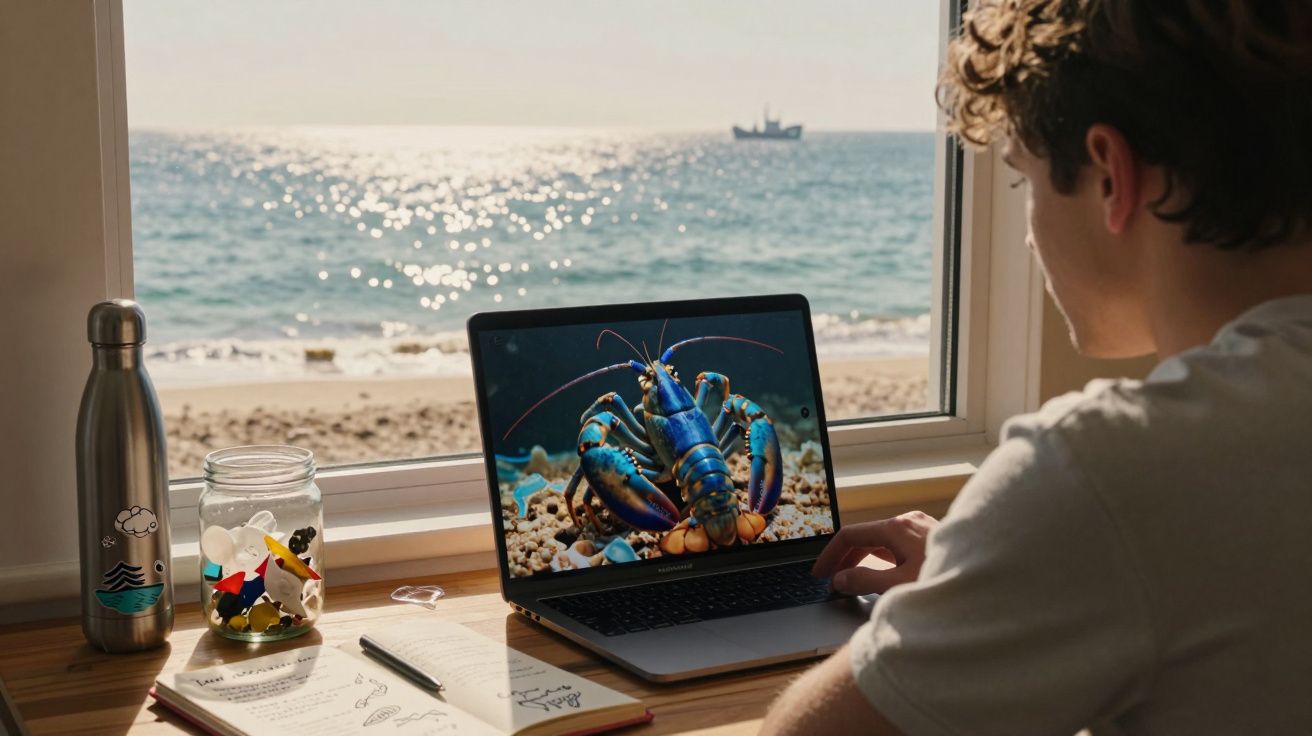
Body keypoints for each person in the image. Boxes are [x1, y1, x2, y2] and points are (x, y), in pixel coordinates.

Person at [761, 1, 1312, 734]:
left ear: (1112, 176)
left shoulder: (1110, 471)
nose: (1027, 239)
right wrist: (987, 590)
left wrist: (966, 596)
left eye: (1023, 182)